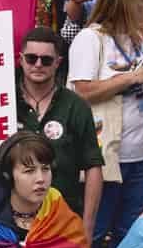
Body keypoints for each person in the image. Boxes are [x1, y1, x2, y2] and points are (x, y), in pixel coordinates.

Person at [68, 0, 143, 248]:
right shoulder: (91, 39)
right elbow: (82, 91)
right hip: (104, 160)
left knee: (129, 239)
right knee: (94, 235)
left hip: (140, 157)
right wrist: (130, 78)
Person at [14, 27, 104, 228]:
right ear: (20, 60)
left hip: (64, 220)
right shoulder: (4, 102)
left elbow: (93, 167)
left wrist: (87, 229)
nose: (38, 64)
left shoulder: (76, 106)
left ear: (58, 63)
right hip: (12, 222)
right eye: (31, 58)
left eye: (46, 60)